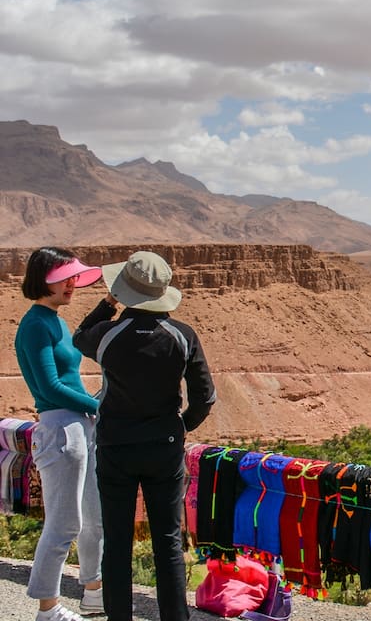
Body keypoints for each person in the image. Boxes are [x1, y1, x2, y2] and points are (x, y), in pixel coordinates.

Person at [73, 250, 216, 621]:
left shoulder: (107, 336)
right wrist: (182, 426)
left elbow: (78, 337)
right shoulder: (181, 336)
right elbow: (205, 396)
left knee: (117, 541)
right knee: (167, 541)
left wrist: (109, 302)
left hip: (115, 447)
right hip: (164, 448)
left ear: (125, 290)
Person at [14, 247, 105, 621]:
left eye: (73, 277)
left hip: (77, 425)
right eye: (65, 277)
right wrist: (100, 406)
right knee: (64, 523)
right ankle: (47, 608)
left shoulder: (56, 321)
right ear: (44, 279)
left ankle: (94, 592)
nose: (72, 284)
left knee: (91, 516)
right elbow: (50, 386)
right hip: (60, 429)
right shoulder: (36, 324)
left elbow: (66, 379)